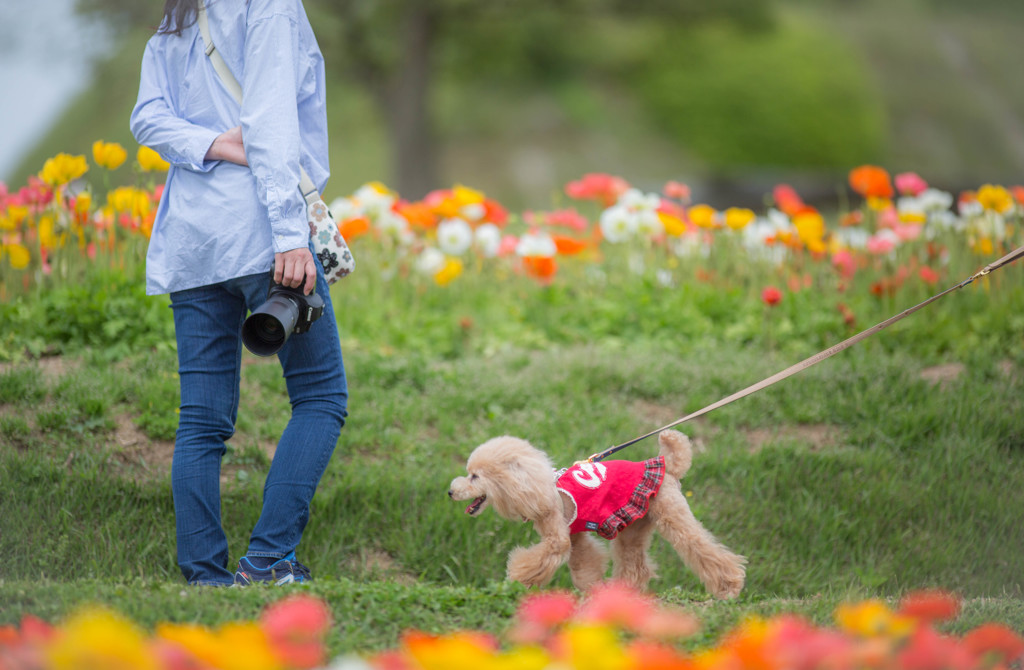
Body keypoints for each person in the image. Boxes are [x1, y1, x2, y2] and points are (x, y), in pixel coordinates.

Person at [130, 0, 347, 586]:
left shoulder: (179, 13)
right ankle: (268, 559)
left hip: (193, 241)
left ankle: (204, 577)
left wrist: (208, 145)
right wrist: (289, 236)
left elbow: (148, 117)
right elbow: (270, 121)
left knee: (202, 419)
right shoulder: (269, 5)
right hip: (259, 234)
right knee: (322, 395)